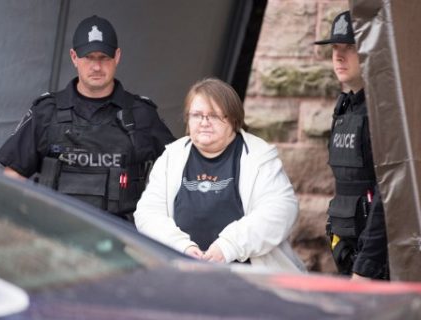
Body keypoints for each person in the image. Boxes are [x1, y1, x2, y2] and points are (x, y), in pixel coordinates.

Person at [0, 15, 175, 220]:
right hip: (55, 234)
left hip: (121, 240)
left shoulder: (142, 115)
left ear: (117, 56)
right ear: (74, 57)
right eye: (88, 57)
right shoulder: (46, 112)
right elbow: (13, 176)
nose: (96, 67)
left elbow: (178, 173)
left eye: (104, 57)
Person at [134, 78, 305, 272]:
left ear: (233, 118)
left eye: (214, 116)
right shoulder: (171, 156)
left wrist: (227, 247)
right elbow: (148, 214)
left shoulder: (259, 156)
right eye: (197, 115)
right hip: (182, 275)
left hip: (248, 279)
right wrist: (182, 247)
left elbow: (280, 210)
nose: (204, 123)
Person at [314, 11, 389, 280]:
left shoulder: (384, 112)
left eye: (349, 47)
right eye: (335, 47)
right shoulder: (346, 107)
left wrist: (367, 265)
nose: (338, 56)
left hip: (378, 262)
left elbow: (390, 192)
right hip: (347, 249)